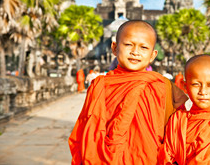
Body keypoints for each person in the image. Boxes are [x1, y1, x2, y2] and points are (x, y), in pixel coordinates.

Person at [69, 20, 188, 164]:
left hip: (150, 159)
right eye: (128, 45)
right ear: (114, 48)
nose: (135, 52)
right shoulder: (100, 85)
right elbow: (86, 130)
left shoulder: (164, 86)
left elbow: (176, 132)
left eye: (144, 47)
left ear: (153, 54)